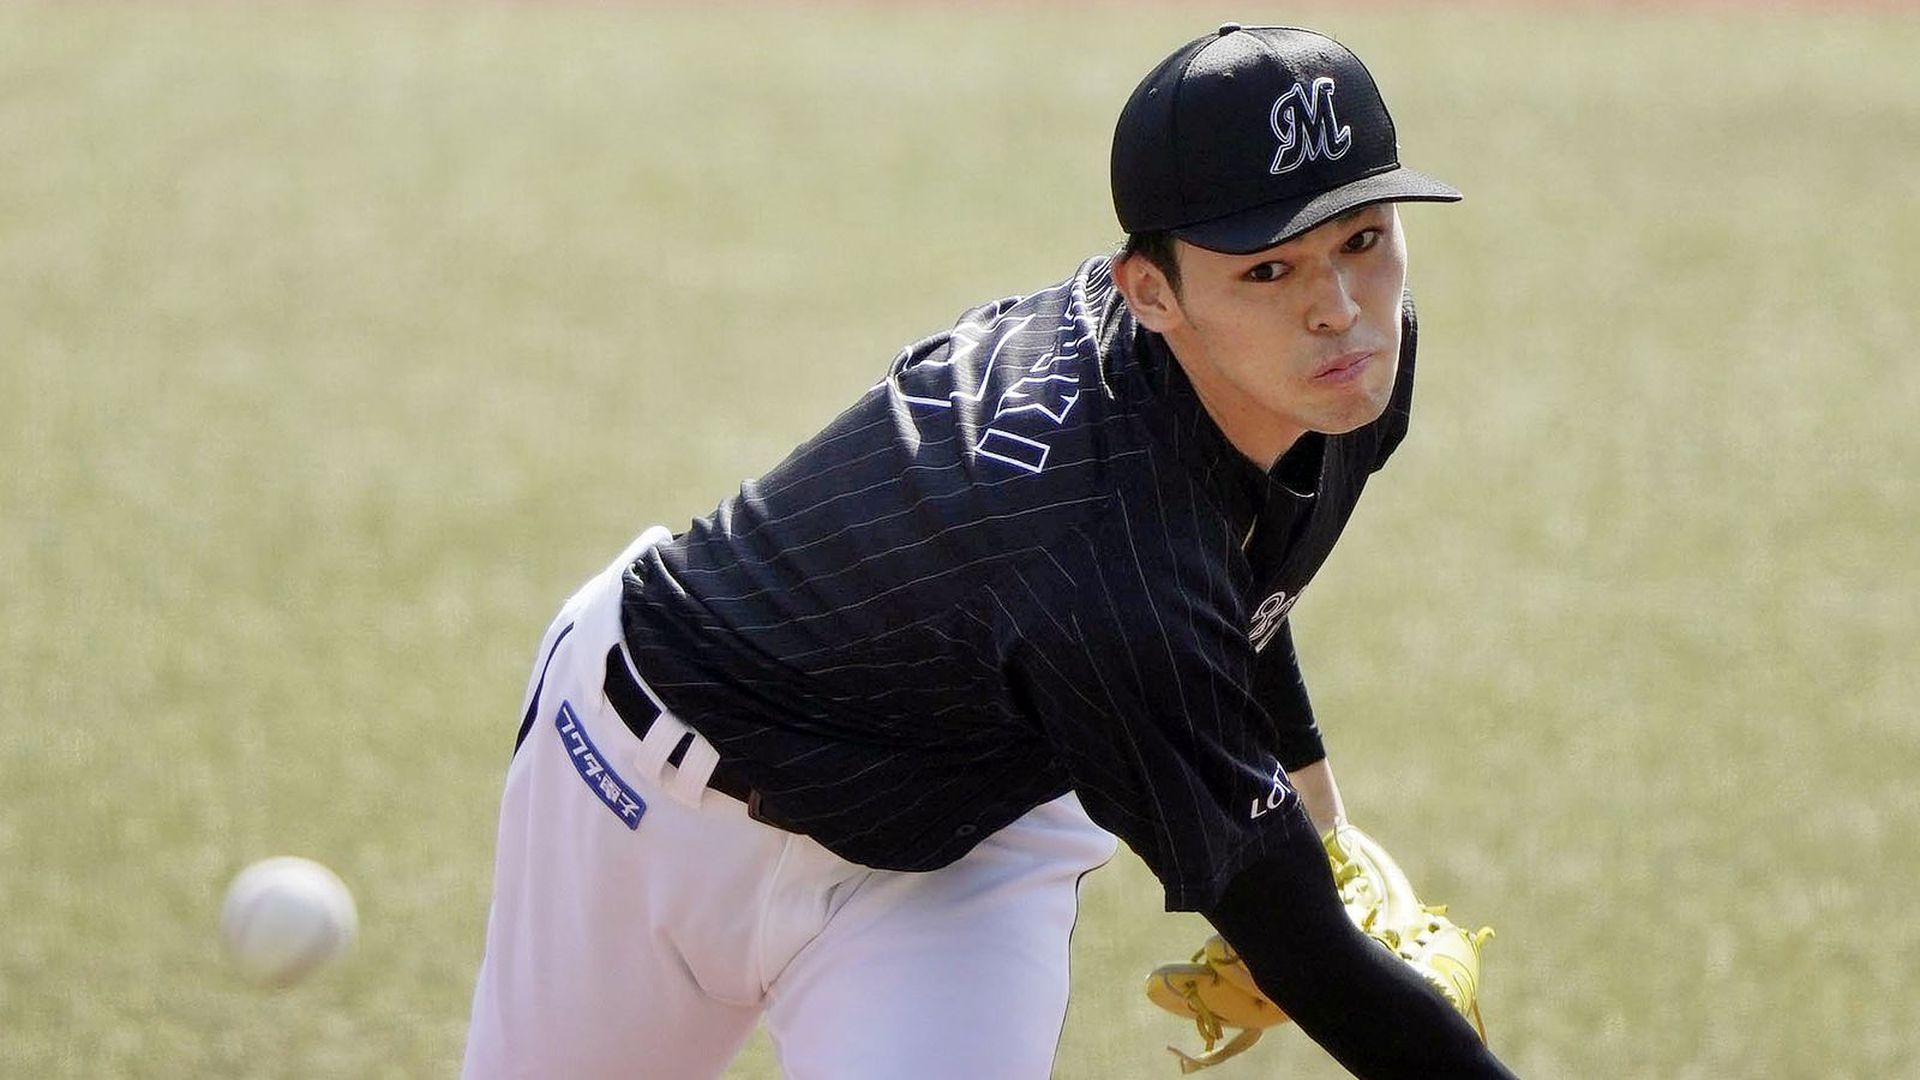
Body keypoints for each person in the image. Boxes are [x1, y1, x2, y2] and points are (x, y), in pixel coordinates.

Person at [463, 23, 1517, 1080]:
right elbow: (1308, 957)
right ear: (1149, 292)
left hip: (961, 850)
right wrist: (1324, 905)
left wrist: (1322, 829)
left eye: (1364, 239)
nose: (1338, 311)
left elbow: (1241, 582)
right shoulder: (1098, 563)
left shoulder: (1342, 376)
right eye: (1270, 268)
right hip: (654, 788)